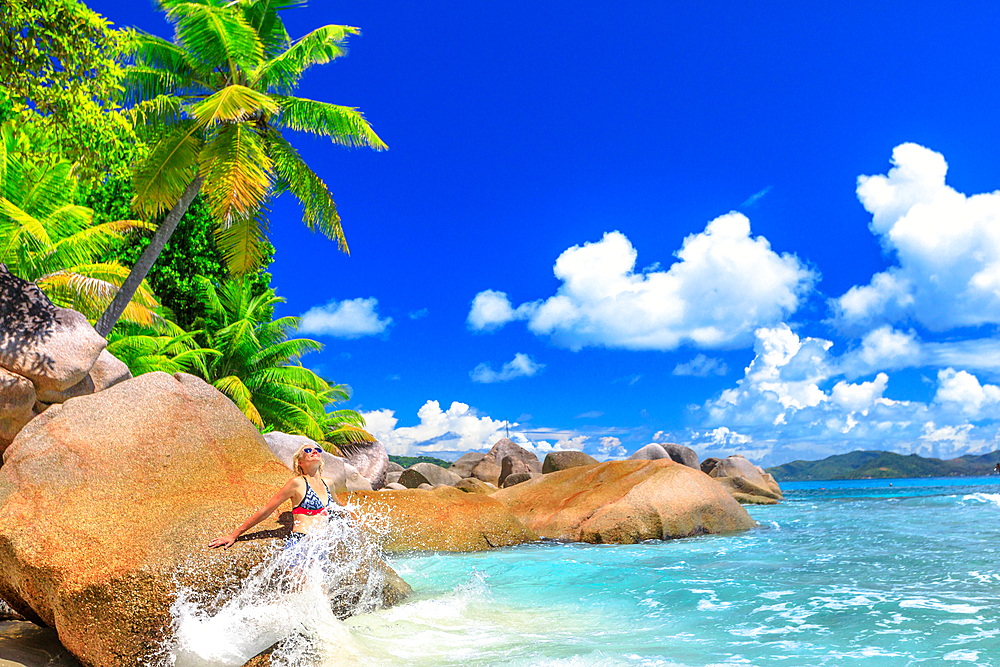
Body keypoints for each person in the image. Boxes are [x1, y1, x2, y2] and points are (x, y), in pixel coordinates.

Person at [209, 444, 349, 549]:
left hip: (322, 545)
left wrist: (352, 520)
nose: (314, 451)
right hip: (302, 542)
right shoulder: (297, 483)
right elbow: (266, 510)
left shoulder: (328, 483)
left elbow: (338, 507)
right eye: (307, 450)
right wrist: (234, 535)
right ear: (300, 462)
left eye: (317, 450)